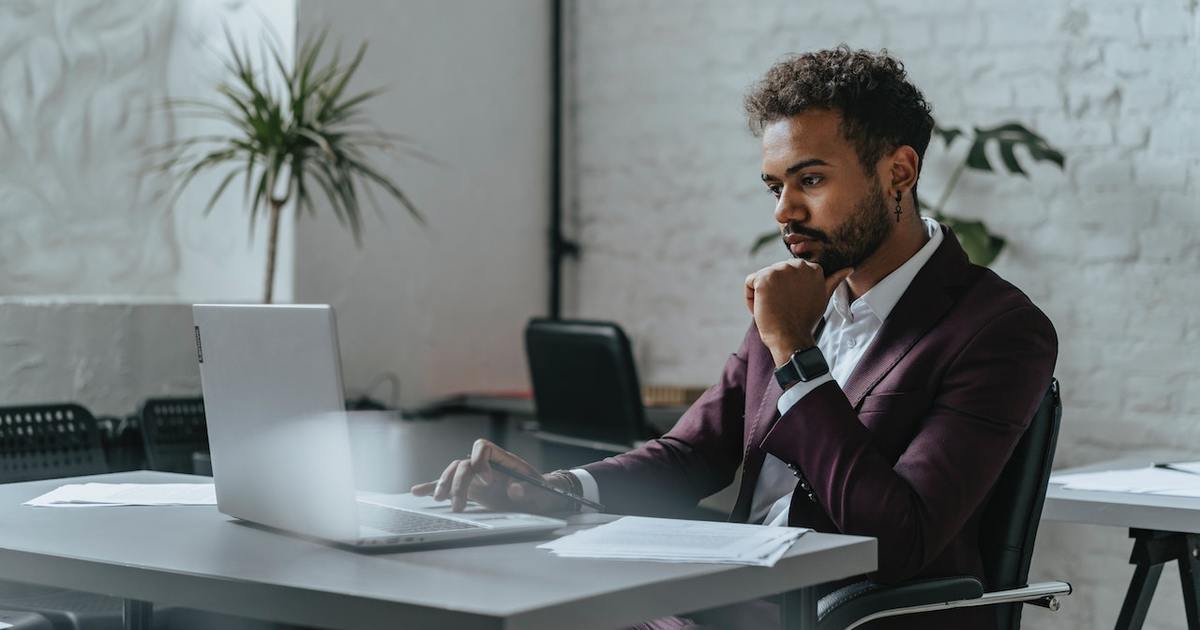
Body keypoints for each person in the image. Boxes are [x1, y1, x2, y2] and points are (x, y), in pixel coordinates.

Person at [413, 46, 1057, 630]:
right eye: (776, 187)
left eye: (810, 180)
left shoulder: (997, 330)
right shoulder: (801, 298)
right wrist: (556, 489)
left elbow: (899, 539)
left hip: (838, 618)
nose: (784, 211)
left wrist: (794, 356)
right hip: (725, 604)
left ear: (898, 172)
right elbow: (692, 453)